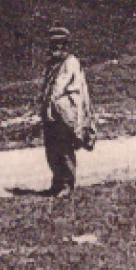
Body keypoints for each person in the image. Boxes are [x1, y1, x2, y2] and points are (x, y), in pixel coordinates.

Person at [34, 24, 95, 198]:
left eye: (60, 44)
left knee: (64, 149)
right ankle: (57, 182)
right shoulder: (52, 65)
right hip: (52, 113)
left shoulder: (70, 63)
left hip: (65, 113)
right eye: (54, 45)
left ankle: (67, 184)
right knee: (52, 149)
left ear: (66, 45)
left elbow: (69, 90)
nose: (56, 48)